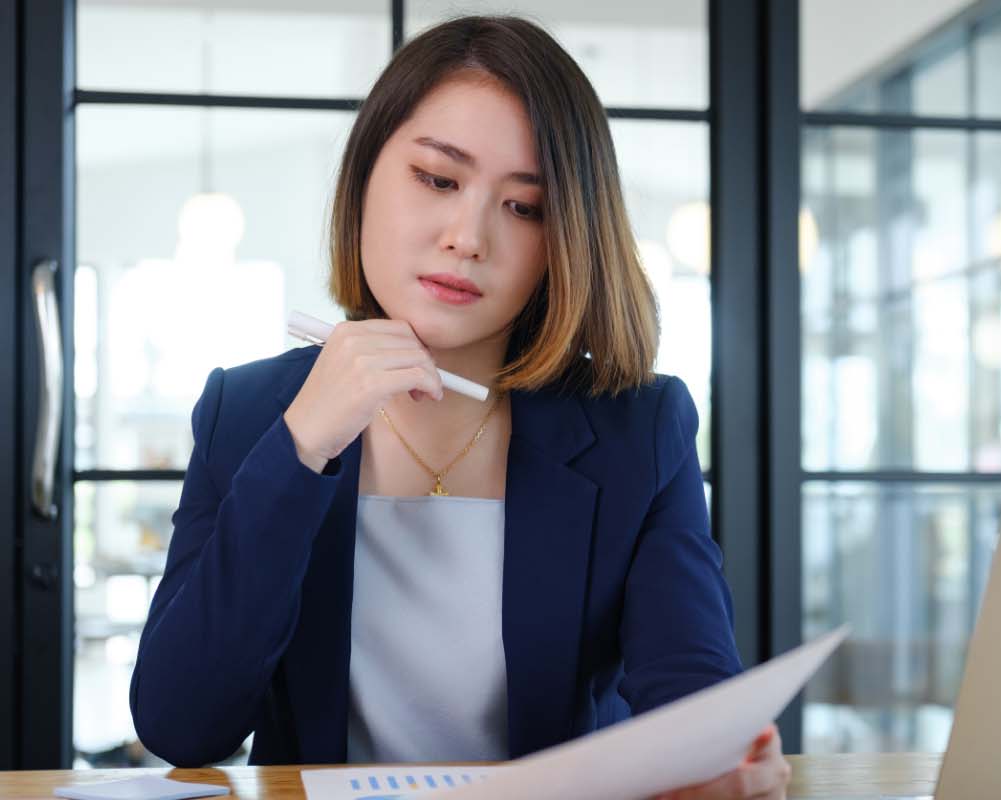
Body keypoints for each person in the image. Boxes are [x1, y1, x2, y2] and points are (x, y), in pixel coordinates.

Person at [128, 14, 791, 800]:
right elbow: (181, 724)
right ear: (365, 175)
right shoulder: (247, 413)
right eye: (439, 180)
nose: (468, 237)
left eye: (525, 208)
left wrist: (723, 759)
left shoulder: (635, 426)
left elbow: (689, 689)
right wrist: (304, 443)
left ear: (565, 240)